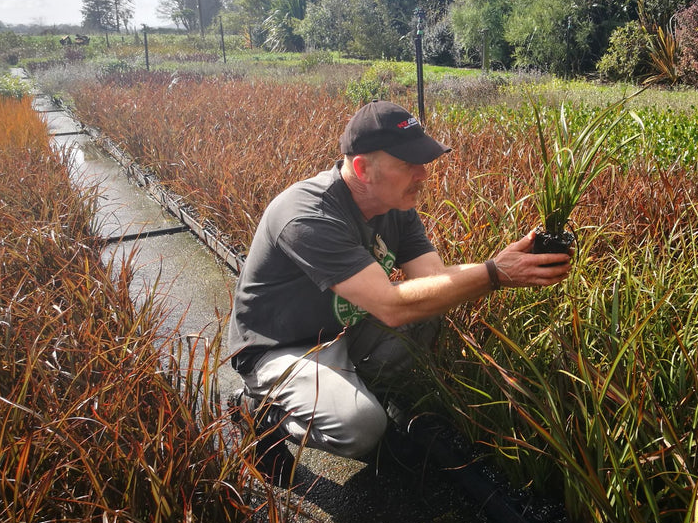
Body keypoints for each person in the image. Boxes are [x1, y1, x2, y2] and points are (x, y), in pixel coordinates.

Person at [227, 99, 571, 481]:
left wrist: (505, 263)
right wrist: (494, 274)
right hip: (279, 345)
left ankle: (363, 392)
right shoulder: (308, 215)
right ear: (362, 168)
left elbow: (432, 281)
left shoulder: (396, 206)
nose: (423, 174)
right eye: (408, 164)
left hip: (343, 329)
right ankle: (259, 410)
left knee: (431, 312)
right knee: (360, 427)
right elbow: (392, 306)